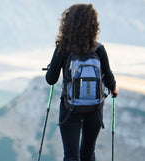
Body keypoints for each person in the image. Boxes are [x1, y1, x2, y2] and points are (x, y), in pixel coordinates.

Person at [45, 4, 119, 161]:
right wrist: (114, 89)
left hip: (70, 108)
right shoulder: (99, 49)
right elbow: (108, 76)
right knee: (88, 152)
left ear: (68, 23)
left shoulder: (63, 48)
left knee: (71, 156)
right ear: (94, 25)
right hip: (95, 107)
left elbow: (51, 79)